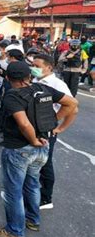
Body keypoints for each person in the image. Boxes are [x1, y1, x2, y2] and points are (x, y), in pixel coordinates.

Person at [0, 61, 77, 237]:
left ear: (7, 78)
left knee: (13, 191)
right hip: (42, 148)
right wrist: (53, 124)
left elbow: (23, 123)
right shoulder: (42, 88)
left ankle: (14, 232)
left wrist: (33, 139)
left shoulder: (12, 96)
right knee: (32, 184)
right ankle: (33, 220)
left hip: (20, 148)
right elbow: (72, 104)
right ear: (29, 76)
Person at [31, 54, 76, 210]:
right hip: (34, 127)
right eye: (32, 65)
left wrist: (58, 127)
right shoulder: (36, 81)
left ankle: (45, 198)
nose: (33, 68)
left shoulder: (57, 84)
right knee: (31, 160)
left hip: (46, 128)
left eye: (37, 66)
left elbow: (73, 108)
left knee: (45, 163)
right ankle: (30, 192)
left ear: (48, 67)